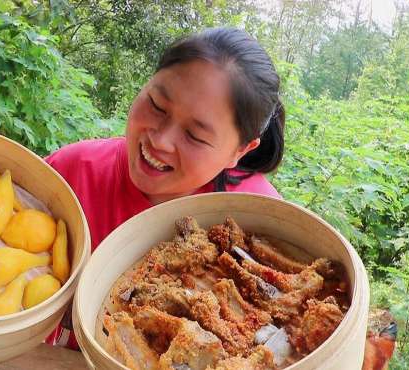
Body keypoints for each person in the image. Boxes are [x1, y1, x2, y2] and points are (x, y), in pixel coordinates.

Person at [44, 27, 285, 348]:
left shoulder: (259, 217)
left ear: (239, 151)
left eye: (195, 136)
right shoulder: (71, 172)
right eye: (157, 105)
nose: (160, 140)